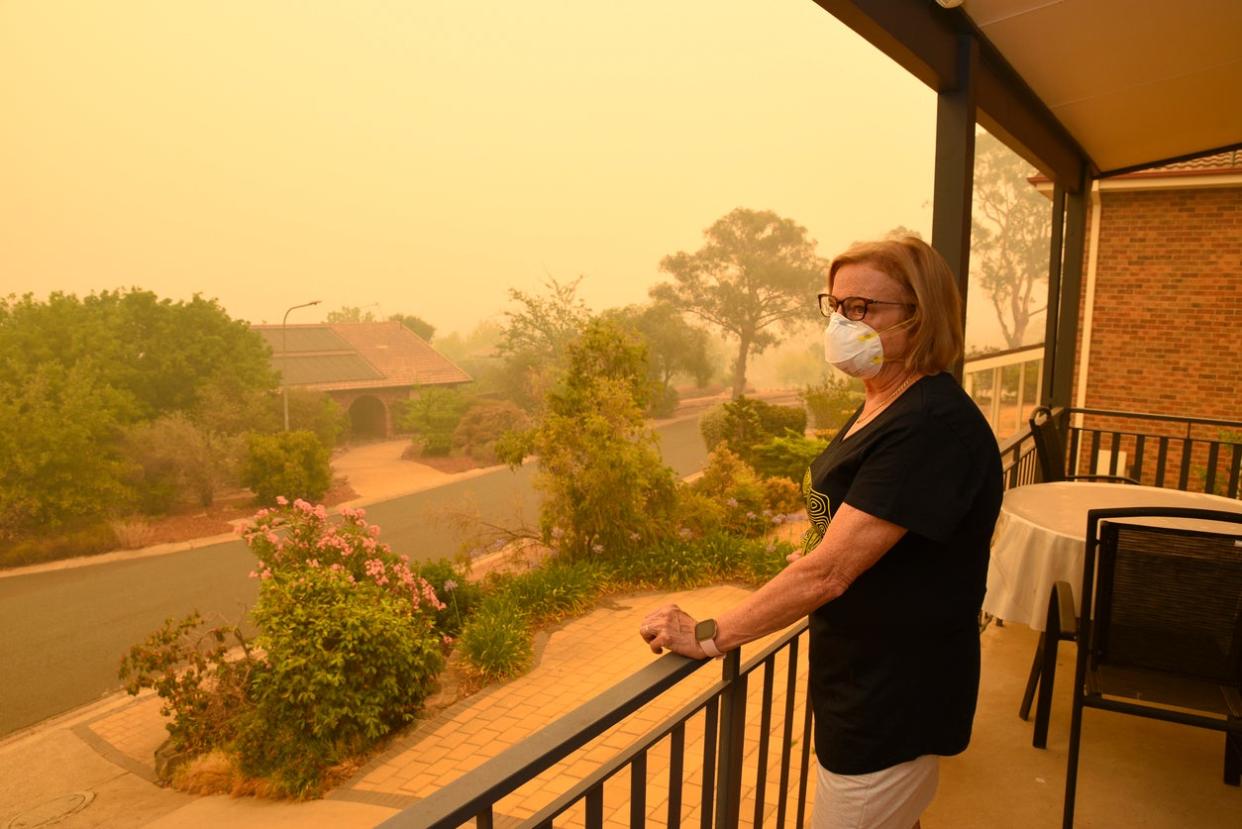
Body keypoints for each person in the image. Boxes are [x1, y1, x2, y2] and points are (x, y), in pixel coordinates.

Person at [639, 236, 1002, 829]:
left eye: (864, 308)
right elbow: (837, 535)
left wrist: (709, 633)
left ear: (920, 316)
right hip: (864, 679)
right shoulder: (884, 403)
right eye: (836, 306)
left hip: (892, 700)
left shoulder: (927, 428)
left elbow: (830, 572)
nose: (843, 322)